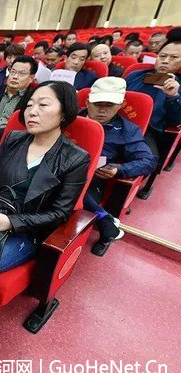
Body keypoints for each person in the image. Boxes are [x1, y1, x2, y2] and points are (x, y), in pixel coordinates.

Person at [0, 80, 90, 314]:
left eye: (43, 105)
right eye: (29, 105)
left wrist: (12, 222)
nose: (32, 112)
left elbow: (60, 213)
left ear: (64, 112)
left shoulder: (75, 158)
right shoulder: (13, 139)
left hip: (27, 232)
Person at [79, 77, 156, 256]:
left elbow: (148, 161)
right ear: (87, 102)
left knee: (71, 186)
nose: (103, 110)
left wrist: (119, 170)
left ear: (120, 105)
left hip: (92, 181)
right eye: (98, 104)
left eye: (109, 105)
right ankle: (105, 219)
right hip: (57, 169)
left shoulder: (127, 131)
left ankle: (103, 219)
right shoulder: (70, 118)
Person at [126, 35, 181, 196]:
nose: (165, 61)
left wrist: (173, 97)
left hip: (148, 133)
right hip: (121, 124)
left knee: (148, 160)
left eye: (174, 58)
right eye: (162, 56)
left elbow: (176, 122)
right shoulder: (135, 75)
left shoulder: (178, 87)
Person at [0, 55, 37, 146]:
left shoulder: (32, 102)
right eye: (13, 72)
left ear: (31, 78)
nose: (15, 77)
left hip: (10, 143)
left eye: (21, 74)